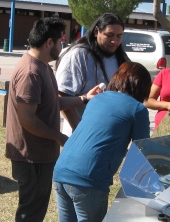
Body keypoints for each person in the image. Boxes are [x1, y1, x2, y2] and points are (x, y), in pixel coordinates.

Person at [5, 17, 100, 222]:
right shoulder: (30, 72)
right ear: (50, 43)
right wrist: (59, 137)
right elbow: (27, 119)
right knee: (30, 213)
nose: (62, 46)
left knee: (35, 210)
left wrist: (84, 98)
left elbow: (52, 103)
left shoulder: (44, 67)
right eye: (61, 42)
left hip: (41, 157)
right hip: (32, 157)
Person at [53, 62, 152, 222]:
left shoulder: (97, 99)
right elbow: (142, 152)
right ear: (143, 88)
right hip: (89, 179)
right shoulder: (137, 109)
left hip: (61, 170)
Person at [55, 12, 129, 136]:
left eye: (119, 36)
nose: (114, 41)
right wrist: (79, 129)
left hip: (109, 135)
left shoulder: (121, 58)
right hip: (82, 135)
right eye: (109, 35)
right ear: (96, 32)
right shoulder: (78, 55)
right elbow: (62, 95)